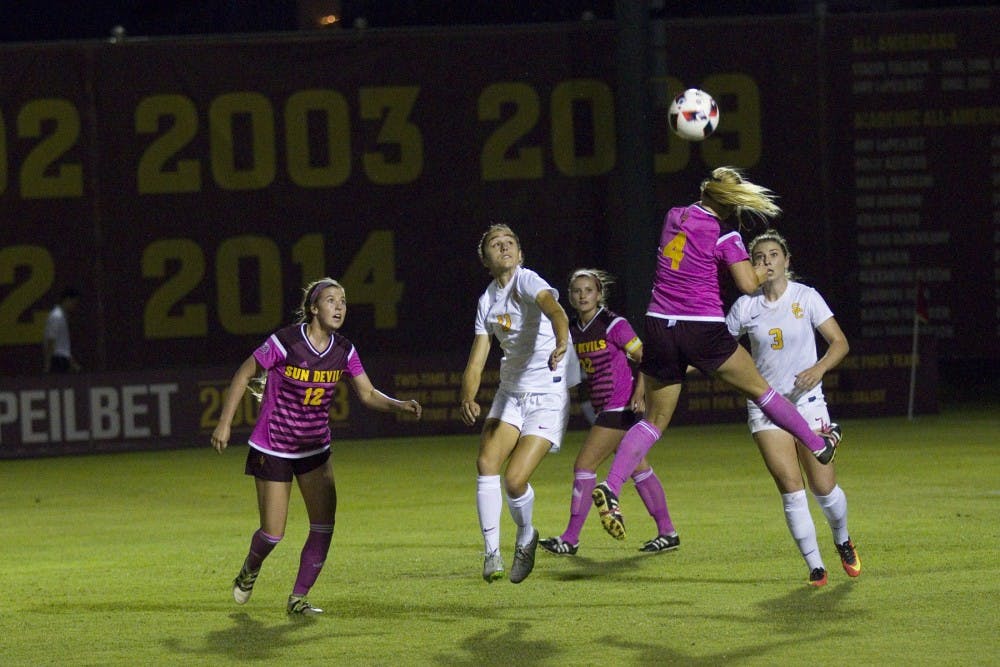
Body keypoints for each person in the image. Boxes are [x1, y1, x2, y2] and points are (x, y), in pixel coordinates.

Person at [591, 166, 841, 546]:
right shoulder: (727, 233)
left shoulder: (674, 215)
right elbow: (744, 284)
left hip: (658, 323)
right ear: (733, 201)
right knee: (762, 390)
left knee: (655, 422)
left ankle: (611, 486)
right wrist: (759, 267)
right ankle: (818, 444)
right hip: (702, 326)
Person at [211, 278, 422, 615]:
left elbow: (366, 393)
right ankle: (250, 569)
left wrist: (399, 405)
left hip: (314, 450)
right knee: (273, 534)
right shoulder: (286, 342)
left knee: (324, 525)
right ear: (313, 308)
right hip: (274, 447)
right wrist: (224, 422)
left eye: (343, 301)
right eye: (330, 300)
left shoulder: (344, 350)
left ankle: (298, 598)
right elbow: (244, 373)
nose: (339, 307)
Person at [726, 229, 859, 587]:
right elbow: (718, 352)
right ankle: (815, 565)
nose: (766, 262)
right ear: (751, 266)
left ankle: (842, 538)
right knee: (790, 485)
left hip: (807, 400)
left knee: (824, 487)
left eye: (773, 255)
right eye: (759, 258)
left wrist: (819, 369)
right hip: (766, 408)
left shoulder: (806, 297)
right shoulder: (745, 307)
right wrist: (675, 361)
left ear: (786, 260)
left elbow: (839, 343)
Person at [459, 224, 575, 584]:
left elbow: (555, 311)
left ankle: (526, 534)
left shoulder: (527, 281)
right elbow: (478, 359)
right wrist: (468, 395)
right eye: (496, 244)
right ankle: (491, 553)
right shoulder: (486, 301)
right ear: (486, 260)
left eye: (510, 243)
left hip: (547, 394)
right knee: (486, 461)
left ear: (520, 254)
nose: (504, 247)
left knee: (514, 481)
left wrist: (561, 342)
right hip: (510, 393)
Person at [540, 268, 679, 556]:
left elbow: (646, 358)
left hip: (621, 406)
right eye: (577, 291)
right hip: (607, 406)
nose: (582, 296)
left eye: (588, 290)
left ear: (599, 294)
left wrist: (640, 392)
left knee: (584, 465)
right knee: (640, 470)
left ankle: (570, 538)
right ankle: (668, 532)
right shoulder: (575, 330)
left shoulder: (613, 323)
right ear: (570, 296)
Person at [43, 287, 82, 373]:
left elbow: (62, 346)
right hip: (57, 362)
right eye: (74, 303)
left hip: (62, 361)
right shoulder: (56, 316)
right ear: (67, 299)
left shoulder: (61, 316)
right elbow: (51, 341)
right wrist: (47, 366)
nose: (74, 306)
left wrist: (72, 363)